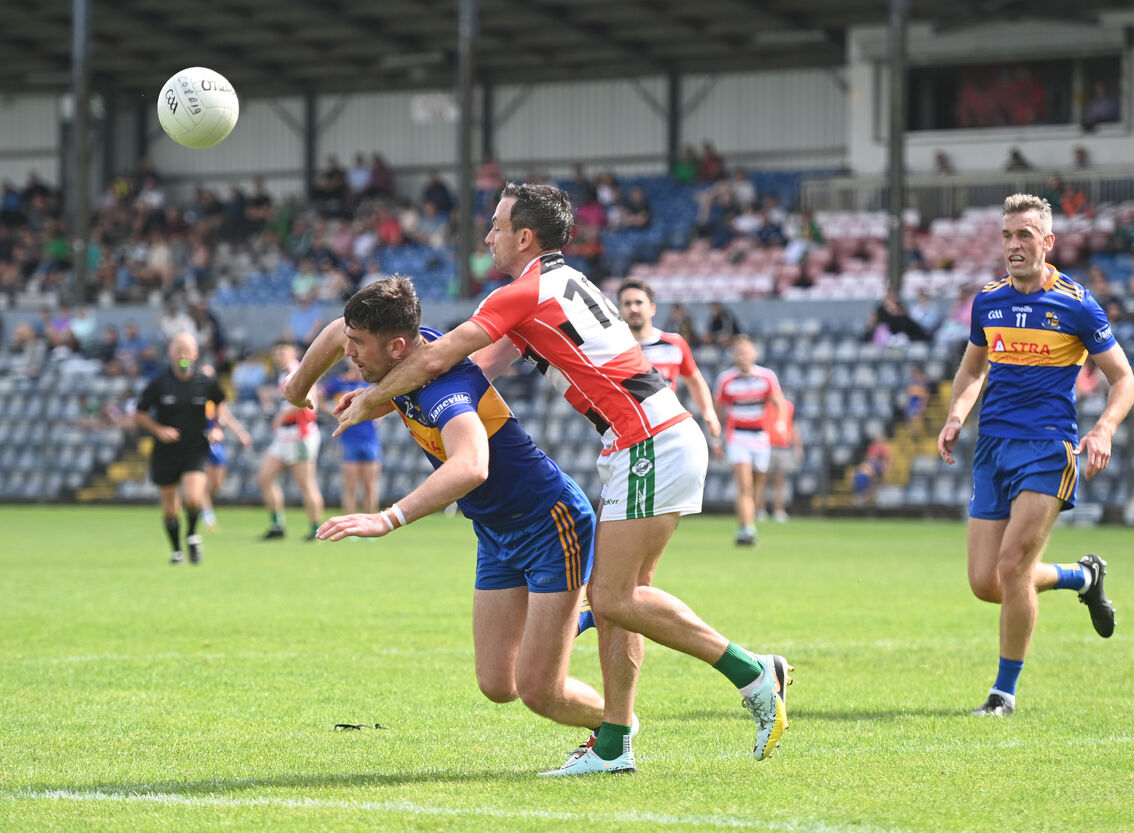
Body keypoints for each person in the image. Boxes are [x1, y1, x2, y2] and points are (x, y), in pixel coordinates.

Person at [319, 183, 791, 775]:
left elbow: (440, 360)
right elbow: (473, 370)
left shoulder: (524, 291)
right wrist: (396, 392)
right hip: (642, 438)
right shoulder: (558, 285)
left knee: (616, 596)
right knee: (621, 598)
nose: (487, 235)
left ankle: (753, 674)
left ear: (525, 236)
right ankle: (614, 746)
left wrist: (370, 400)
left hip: (648, 437)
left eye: (496, 225)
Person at [283, 277, 608, 750]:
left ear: (397, 347)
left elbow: (472, 466)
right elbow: (338, 330)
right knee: (499, 685)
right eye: (352, 343)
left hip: (550, 523)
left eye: (359, 346)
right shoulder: (406, 357)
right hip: (496, 531)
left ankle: (615, 722)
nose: (349, 354)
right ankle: (573, 612)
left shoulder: (446, 390)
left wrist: (388, 517)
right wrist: (299, 385)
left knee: (539, 688)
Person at [936, 193, 1134, 717]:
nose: (1013, 245)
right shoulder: (988, 301)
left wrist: (1104, 429)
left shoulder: (1076, 303)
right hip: (993, 449)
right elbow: (973, 369)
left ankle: (1003, 694)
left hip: (1049, 448)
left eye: (1024, 235)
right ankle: (1082, 576)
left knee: (1012, 565)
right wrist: (957, 415)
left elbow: (1124, 380)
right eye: (1007, 235)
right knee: (987, 583)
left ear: (1048, 242)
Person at [133, 333, 225, 565]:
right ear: (170, 353)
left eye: (187, 349)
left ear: (195, 354)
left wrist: (216, 427)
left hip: (194, 447)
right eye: (178, 349)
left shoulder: (205, 382)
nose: (183, 354)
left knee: (193, 497)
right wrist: (158, 429)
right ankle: (176, 550)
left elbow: (220, 402)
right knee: (170, 506)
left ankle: (192, 535)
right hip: (166, 451)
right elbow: (139, 413)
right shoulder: (159, 382)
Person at [616, 279, 720, 438]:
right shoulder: (613, 348)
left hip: (668, 429)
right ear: (620, 311)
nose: (633, 308)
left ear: (652, 308)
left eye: (639, 302)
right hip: (629, 434)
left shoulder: (674, 344)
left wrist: (708, 411)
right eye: (627, 304)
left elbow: (695, 380)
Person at [714, 335, 788, 546]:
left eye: (745, 352)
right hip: (737, 437)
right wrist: (716, 440)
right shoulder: (726, 380)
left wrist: (781, 423)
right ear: (734, 356)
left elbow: (780, 403)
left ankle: (746, 522)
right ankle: (748, 529)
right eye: (738, 353)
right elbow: (717, 410)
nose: (742, 357)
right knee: (744, 485)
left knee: (757, 485)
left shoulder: (766, 377)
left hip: (760, 437)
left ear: (753, 354)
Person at [258, 340, 325, 541]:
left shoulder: (298, 371)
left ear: (294, 352)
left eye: (282, 351)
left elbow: (308, 400)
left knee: (305, 484)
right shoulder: (284, 373)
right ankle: (277, 524)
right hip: (285, 435)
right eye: (276, 352)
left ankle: (316, 529)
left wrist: (281, 415)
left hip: (300, 434)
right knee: (265, 477)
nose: (278, 355)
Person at [322, 360, 382, 517]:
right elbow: (318, 395)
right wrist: (333, 413)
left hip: (369, 439)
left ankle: (369, 522)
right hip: (349, 439)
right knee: (351, 486)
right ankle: (350, 525)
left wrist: (381, 415)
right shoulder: (340, 383)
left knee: (370, 485)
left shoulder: (371, 383)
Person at [199, 363, 252, 530]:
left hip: (217, 441)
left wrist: (240, 433)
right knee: (205, 480)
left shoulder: (215, 397)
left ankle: (200, 504)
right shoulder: (195, 395)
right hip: (201, 441)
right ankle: (207, 516)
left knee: (217, 483)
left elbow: (225, 416)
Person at [758, 395, 802, 522]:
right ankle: (761, 511)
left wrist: (798, 446)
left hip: (783, 446)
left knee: (780, 482)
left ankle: (779, 511)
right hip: (765, 446)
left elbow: (793, 427)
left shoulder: (789, 406)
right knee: (762, 481)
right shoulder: (764, 405)